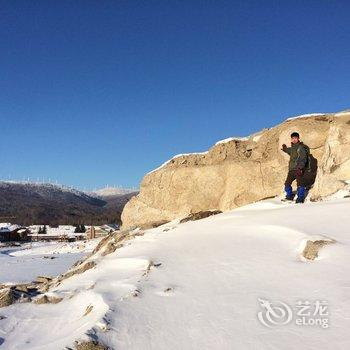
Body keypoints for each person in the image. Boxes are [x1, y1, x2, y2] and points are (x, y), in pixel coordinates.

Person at [281, 132, 310, 203]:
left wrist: (300, 167)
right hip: (291, 170)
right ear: (291, 139)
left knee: (300, 184)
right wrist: (285, 149)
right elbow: (289, 150)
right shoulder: (293, 148)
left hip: (298, 169)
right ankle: (289, 196)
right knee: (287, 184)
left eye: (295, 138)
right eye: (293, 138)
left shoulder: (301, 147)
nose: (294, 140)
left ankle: (300, 198)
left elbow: (303, 158)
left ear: (298, 138)